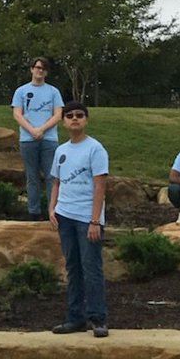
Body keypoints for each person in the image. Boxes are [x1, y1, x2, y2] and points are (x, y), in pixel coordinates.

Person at [48, 103, 109, 339]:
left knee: (91, 268)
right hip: (65, 216)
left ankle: (97, 318)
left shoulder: (96, 149)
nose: (75, 119)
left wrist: (95, 220)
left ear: (86, 120)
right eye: (70, 116)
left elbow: (100, 185)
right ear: (64, 121)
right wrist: (52, 208)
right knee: (72, 268)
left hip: (87, 218)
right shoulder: (61, 150)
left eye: (79, 116)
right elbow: (56, 182)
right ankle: (75, 318)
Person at [12, 57, 64, 220]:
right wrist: (32, 131)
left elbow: (58, 114)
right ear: (31, 69)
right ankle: (33, 212)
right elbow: (17, 114)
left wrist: (41, 129)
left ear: (46, 72)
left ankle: (53, 212)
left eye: (43, 69)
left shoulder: (53, 92)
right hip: (28, 140)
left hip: (49, 139)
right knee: (32, 177)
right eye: (37, 68)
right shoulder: (21, 91)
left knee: (51, 177)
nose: (40, 71)